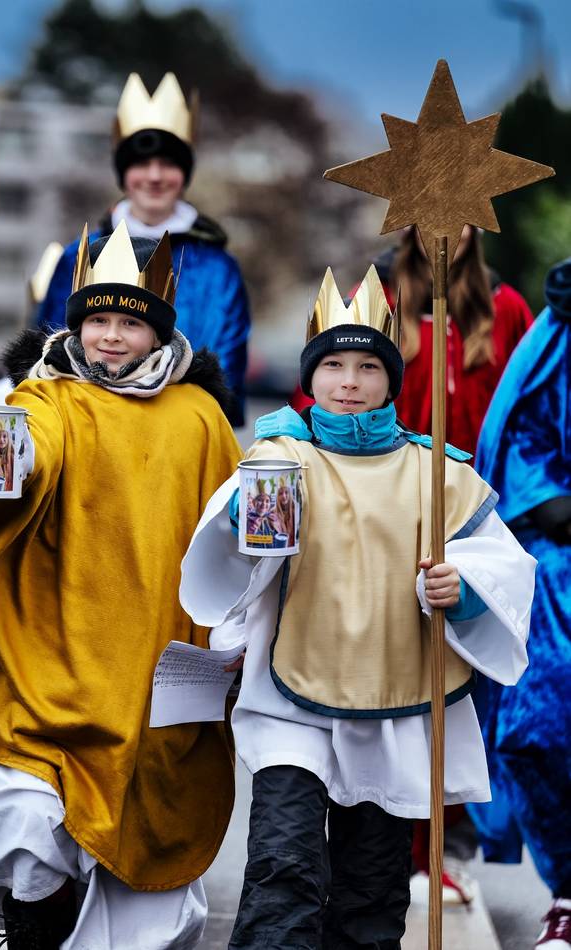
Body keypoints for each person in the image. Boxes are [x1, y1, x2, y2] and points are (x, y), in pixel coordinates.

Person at [0, 221, 241, 950]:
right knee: (28, 822)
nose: (111, 337)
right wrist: (1, 453)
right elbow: (18, 451)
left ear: (157, 333)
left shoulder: (199, 418)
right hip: (44, 649)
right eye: (98, 320)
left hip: (148, 659)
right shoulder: (45, 399)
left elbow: (229, 528)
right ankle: (32, 935)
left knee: (141, 829)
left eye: (129, 323)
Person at [180, 265, 535, 949]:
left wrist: (460, 588)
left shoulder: (437, 472)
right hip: (292, 701)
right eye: (334, 365)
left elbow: (501, 564)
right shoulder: (279, 458)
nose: (349, 382)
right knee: (284, 865)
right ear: (310, 377)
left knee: (372, 886)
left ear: (391, 379)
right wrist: (239, 533)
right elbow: (222, 561)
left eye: (367, 366)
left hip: (396, 705)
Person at [36, 72, 250, 426]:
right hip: (86, 421)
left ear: (184, 173)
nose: (154, 176)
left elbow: (227, 364)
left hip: (182, 426)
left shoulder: (218, 267)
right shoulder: (79, 256)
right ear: (124, 173)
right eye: (141, 163)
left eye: (168, 164)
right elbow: (50, 345)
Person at [472, 257, 571, 949]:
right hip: (563, 562)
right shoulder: (558, 329)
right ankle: (568, 887)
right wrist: (550, 500)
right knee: (538, 732)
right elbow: (524, 429)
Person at [292, 225, 533, 457]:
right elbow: (327, 389)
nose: (445, 230)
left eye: (460, 218)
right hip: (392, 476)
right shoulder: (373, 301)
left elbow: (534, 403)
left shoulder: (506, 307)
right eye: (431, 218)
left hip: (484, 482)